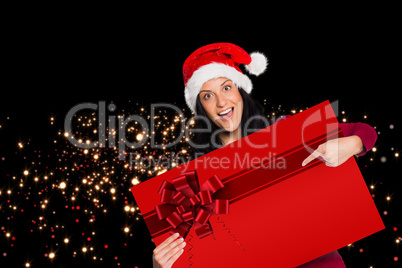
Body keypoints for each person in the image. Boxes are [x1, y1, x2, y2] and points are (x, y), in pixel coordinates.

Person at [152, 43, 377, 268]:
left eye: (227, 88)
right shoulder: (196, 177)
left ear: (240, 90)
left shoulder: (286, 132)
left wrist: (352, 144)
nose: (221, 102)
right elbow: (199, 257)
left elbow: (365, 132)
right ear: (200, 107)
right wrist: (162, 265)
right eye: (208, 96)